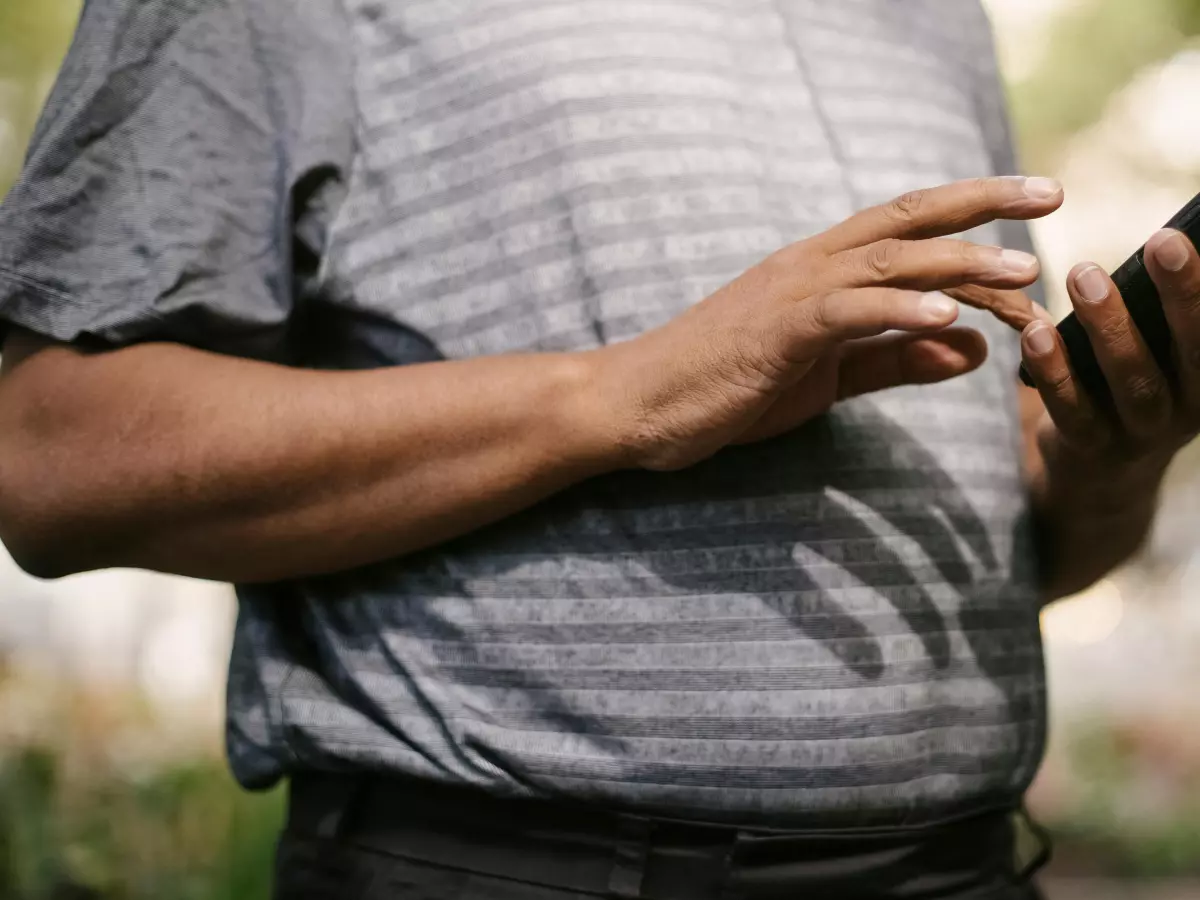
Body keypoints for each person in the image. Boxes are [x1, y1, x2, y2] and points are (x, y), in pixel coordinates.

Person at [0, 1, 1197, 897]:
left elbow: (1017, 557)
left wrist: (1114, 457)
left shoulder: (933, 15)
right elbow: (50, 460)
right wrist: (620, 395)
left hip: (970, 868)